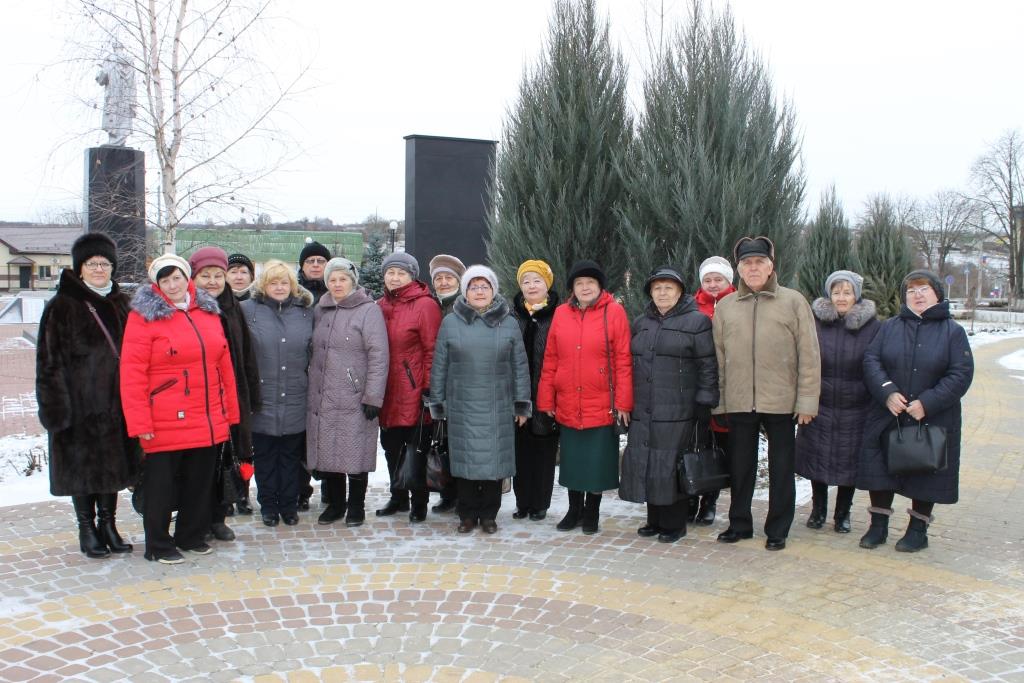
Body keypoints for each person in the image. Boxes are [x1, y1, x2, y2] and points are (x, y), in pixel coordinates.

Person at [120, 254, 240, 564]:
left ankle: (190, 535)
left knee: (199, 482)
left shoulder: (207, 312)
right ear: (156, 285)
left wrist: (231, 412)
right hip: (163, 419)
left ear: (187, 278)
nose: (172, 285)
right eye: (165, 280)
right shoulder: (143, 317)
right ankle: (158, 544)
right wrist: (139, 422)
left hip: (207, 415)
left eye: (177, 278)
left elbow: (223, 364)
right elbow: (131, 373)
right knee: (161, 485)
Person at [712, 237, 820, 551]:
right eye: (747, 263)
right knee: (740, 466)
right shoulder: (727, 306)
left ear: (771, 266)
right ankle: (740, 524)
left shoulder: (793, 301)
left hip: (781, 400)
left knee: (781, 467)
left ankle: (778, 528)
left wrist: (807, 400)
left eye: (760, 262)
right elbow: (718, 356)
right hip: (740, 398)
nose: (753, 268)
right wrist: (720, 400)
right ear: (739, 269)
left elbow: (809, 355)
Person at [36, 233, 138, 558]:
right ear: (79, 268)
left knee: (112, 468)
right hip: (78, 406)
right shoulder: (62, 306)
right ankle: (86, 527)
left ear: (113, 267)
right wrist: (56, 408)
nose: (98, 269)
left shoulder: (123, 303)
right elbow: (48, 361)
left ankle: (108, 524)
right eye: (92, 263)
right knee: (83, 469)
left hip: (116, 404)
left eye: (104, 263)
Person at [857, 270, 974, 552]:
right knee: (880, 470)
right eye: (911, 290)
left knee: (925, 472)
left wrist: (929, 402)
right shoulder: (890, 327)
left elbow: (961, 373)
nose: (917, 295)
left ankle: (918, 530)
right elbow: (871, 361)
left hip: (931, 417)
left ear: (937, 294)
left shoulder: (953, 332)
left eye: (923, 289)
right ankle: (878, 526)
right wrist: (887, 392)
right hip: (889, 413)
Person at [428, 265, 531, 534]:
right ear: (465, 292)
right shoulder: (451, 322)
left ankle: (489, 515)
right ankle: (467, 514)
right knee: (465, 462)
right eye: (474, 287)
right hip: (462, 404)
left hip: (498, 403)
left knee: (494, 463)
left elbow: (520, 366)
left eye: (485, 286)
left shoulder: (508, 322)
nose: (480, 291)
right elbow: (440, 365)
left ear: (493, 291)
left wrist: (522, 404)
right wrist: (438, 403)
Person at [620, 266, 718, 543]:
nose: (662, 293)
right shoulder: (641, 322)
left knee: (670, 464)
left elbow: (708, 364)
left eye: (668, 288)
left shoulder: (697, 322)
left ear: (679, 292)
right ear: (650, 293)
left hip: (679, 408)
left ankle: (674, 523)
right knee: (649, 461)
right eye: (657, 288)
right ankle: (654, 519)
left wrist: (705, 401)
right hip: (645, 406)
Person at [537, 260, 633, 535]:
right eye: (579, 283)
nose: (585, 287)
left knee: (596, 462)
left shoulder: (614, 312)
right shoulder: (560, 314)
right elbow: (551, 358)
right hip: (568, 400)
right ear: (572, 288)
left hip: (601, 401)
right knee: (573, 461)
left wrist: (624, 403)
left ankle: (592, 512)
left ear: (600, 286)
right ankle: (573, 510)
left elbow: (623, 360)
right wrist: (546, 399)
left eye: (590, 282)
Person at [795, 271, 880, 533]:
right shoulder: (815, 323)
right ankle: (818, 509)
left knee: (849, 463)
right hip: (820, 404)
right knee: (816, 459)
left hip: (857, 406)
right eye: (836, 292)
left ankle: (843, 513)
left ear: (856, 295)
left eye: (847, 292)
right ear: (828, 294)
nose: (841, 297)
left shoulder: (873, 327)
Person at [307, 258, 388, 527]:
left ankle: (356, 507)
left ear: (352, 282)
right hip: (324, 394)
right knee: (328, 450)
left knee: (355, 453)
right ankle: (336, 505)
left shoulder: (368, 311)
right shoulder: (322, 309)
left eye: (342, 279)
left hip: (355, 395)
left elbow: (379, 355)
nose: (337, 284)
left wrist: (373, 396)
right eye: (332, 279)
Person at [189, 246, 262, 540]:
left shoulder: (232, 306)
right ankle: (198, 517)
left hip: (232, 395)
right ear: (194, 278)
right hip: (199, 397)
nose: (212, 281)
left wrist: (251, 395)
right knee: (200, 462)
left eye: (218, 275)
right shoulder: (188, 306)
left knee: (229, 455)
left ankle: (219, 516)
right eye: (205, 276)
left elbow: (247, 354)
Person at [241, 259, 314, 527]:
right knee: (265, 456)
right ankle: (268, 505)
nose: (280, 287)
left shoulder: (306, 313)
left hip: (296, 394)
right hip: (262, 397)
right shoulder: (248, 310)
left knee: (291, 457)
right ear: (263, 285)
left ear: (293, 285)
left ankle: (289, 504)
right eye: (274, 282)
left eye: (285, 282)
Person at [376, 252, 442, 522]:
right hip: (386, 390)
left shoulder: (425, 306)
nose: (394, 277)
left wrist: (428, 387)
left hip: (413, 391)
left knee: (416, 448)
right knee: (391, 447)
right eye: (390, 272)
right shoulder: (379, 304)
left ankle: (419, 503)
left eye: (400, 273)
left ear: (412, 276)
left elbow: (432, 349)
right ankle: (398, 496)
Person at [510, 259, 561, 521]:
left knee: (543, 451)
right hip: (518, 395)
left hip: (547, 395)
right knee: (521, 452)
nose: (531, 286)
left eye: (536, 280)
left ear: (547, 284)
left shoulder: (559, 315)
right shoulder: (512, 315)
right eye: (526, 281)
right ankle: (523, 502)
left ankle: (540, 503)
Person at [691, 255, 737, 525]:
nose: (712, 284)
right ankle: (690, 496)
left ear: (728, 281)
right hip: (695, 389)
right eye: (707, 280)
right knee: (695, 446)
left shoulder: (737, 304)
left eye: (718, 279)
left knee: (718, 449)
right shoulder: (692, 307)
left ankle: (710, 502)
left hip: (727, 389)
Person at [427, 253, 467, 514]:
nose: (443, 282)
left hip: (461, 385)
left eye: (448, 277)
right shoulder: (430, 306)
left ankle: (463, 495)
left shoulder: (465, 306)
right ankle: (448, 493)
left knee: (461, 442)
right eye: (438, 278)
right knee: (442, 441)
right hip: (436, 384)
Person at [295, 240, 332, 510]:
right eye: (311, 261)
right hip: (299, 375)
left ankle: (331, 491)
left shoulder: (338, 291)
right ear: (302, 266)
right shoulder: (293, 294)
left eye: (321, 261)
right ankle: (299, 490)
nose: (316, 265)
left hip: (331, 376)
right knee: (299, 438)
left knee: (329, 435)